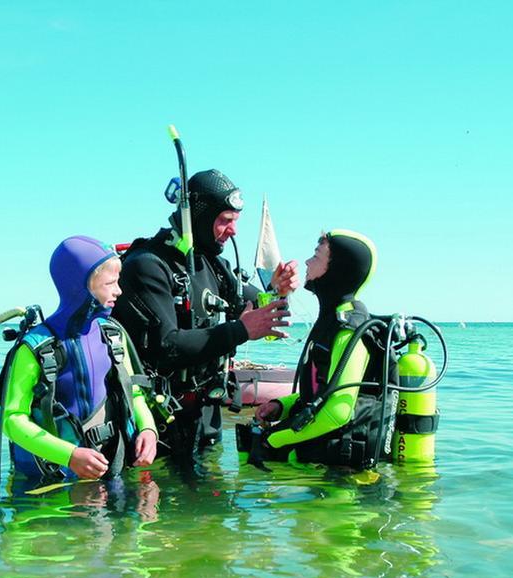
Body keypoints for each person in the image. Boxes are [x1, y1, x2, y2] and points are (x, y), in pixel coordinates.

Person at [112, 169, 299, 456]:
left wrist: (277, 291)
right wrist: (241, 330)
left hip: (205, 420)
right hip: (157, 424)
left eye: (235, 221)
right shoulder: (147, 265)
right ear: (198, 216)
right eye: (225, 221)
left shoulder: (213, 265)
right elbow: (167, 346)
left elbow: (259, 310)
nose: (234, 231)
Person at [0, 236, 158, 481]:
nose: (119, 290)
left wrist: (148, 428)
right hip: (51, 481)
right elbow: (12, 420)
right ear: (81, 287)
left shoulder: (113, 336)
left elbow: (133, 392)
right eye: (110, 283)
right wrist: (69, 455)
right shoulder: (34, 349)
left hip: (110, 469)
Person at [252, 230, 391, 470]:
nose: (306, 262)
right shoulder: (332, 321)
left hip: (341, 482)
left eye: (316, 256)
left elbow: (338, 411)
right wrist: (281, 406)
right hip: (323, 469)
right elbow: (321, 393)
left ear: (338, 269)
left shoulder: (349, 330)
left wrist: (273, 440)